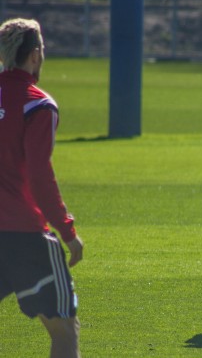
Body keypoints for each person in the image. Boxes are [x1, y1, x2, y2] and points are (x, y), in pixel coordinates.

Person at [0, 18, 83, 358]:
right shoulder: (38, 104)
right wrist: (67, 231)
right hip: (25, 236)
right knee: (64, 330)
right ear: (34, 56)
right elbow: (38, 174)